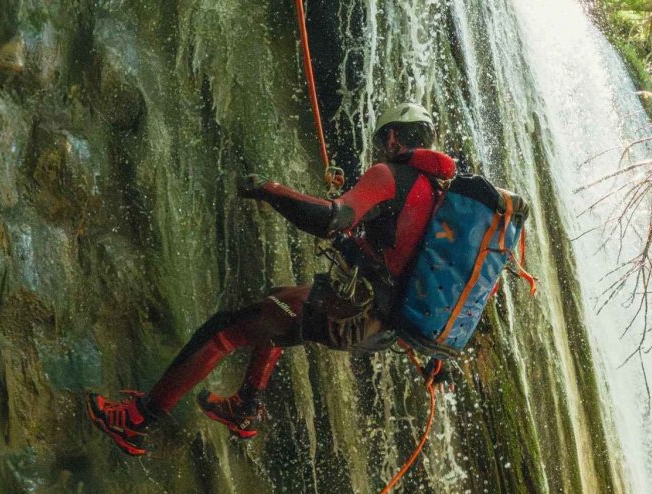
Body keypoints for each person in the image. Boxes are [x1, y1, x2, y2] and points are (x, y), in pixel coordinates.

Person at [86, 102, 475, 454]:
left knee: (225, 330)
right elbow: (406, 261)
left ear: (391, 137)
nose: (379, 149)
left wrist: (270, 191)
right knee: (278, 304)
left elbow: (332, 218)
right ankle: (245, 407)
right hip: (386, 327)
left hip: (354, 314)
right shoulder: (442, 196)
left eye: (380, 141)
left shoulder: (389, 175)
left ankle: (138, 420)